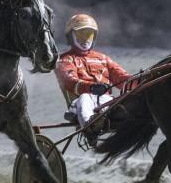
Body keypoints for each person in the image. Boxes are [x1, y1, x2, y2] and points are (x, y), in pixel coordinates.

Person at [55, 13, 132, 145]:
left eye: (89, 34)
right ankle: (90, 129)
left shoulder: (103, 58)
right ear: (70, 36)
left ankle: (119, 124)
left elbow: (123, 78)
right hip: (79, 101)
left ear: (94, 36)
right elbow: (69, 81)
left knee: (125, 101)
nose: (85, 39)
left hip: (106, 101)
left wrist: (142, 81)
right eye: (81, 34)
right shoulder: (64, 59)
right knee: (85, 98)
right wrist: (90, 87)